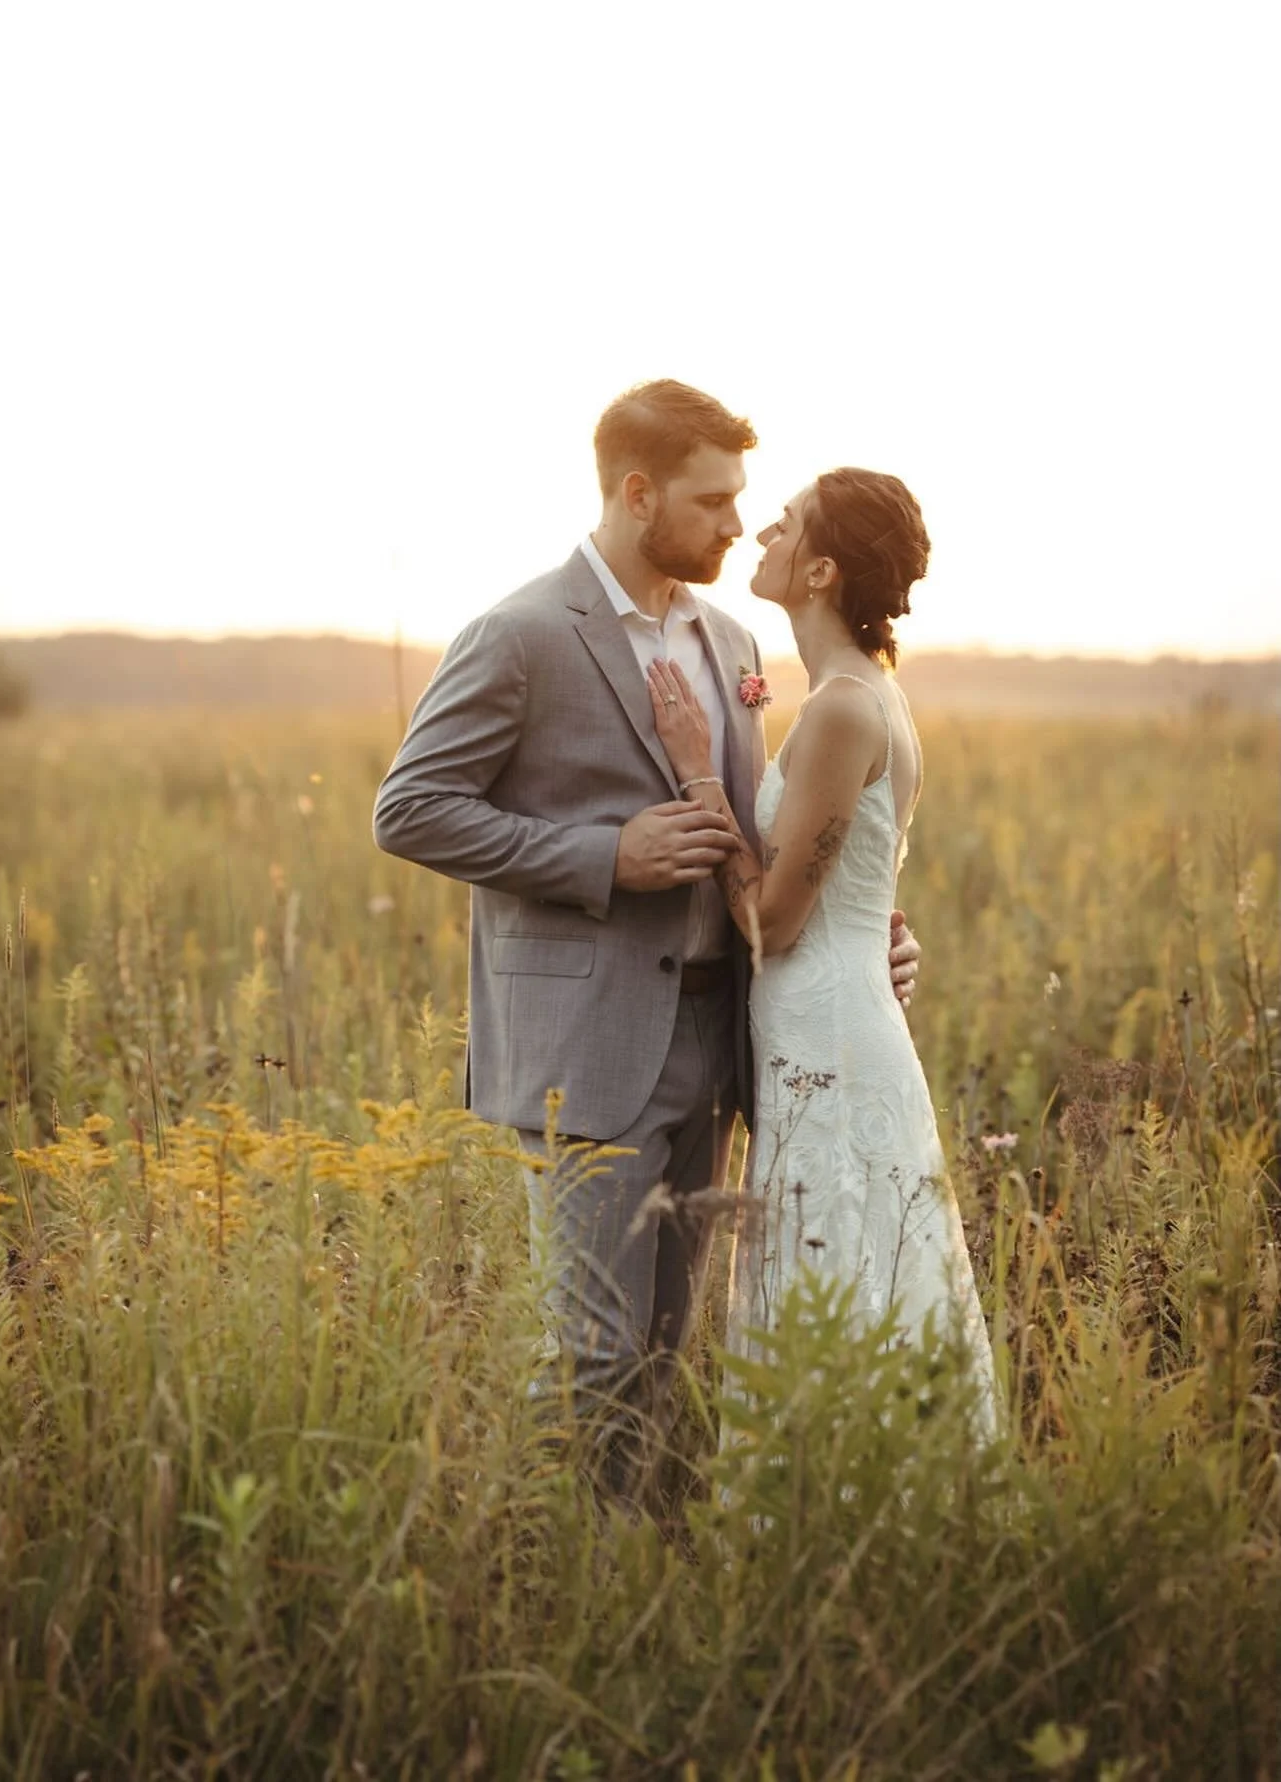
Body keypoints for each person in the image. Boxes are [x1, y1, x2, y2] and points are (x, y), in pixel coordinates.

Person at [372, 385, 922, 1485]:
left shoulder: (733, 640)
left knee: (670, 1354)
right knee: (590, 1356)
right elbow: (410, 809)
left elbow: (778, 835)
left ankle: (649, 1591)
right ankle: (565, 1592)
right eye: (712, 500)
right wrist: (602, 857)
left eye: (742, 504)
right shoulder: (521, 633)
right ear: (636, 492)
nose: (735, 525)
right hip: (589, 1046)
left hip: (726, 1040)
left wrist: (866, 942)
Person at [645, 468, 997, 1434]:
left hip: (831, 1041)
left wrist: (694, 777)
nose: (761, 532)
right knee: (833, 1279)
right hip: (821, 1024)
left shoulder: (845, 708)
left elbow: (771, 924)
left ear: (821, 570)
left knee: (838, 1281)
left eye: (786, 525)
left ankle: (843, 1516)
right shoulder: (850, 695)